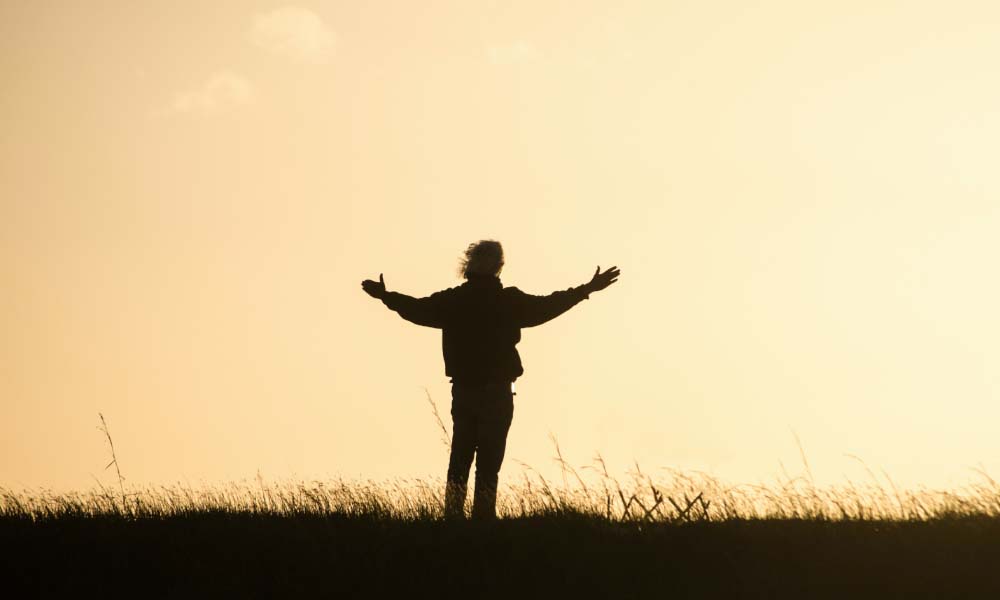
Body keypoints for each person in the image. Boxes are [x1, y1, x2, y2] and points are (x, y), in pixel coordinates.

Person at [361, 240, 620, 520]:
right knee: (488, 463)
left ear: (468, 266)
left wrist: (386, 297)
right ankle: (483, 521)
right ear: (499, 267)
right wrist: (586, 290)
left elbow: (417, 309)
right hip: (497, 392)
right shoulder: (508, 301)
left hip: (464, 391)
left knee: (460, 459)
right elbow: (549, 305)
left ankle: (453, 520)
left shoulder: (454, 301)